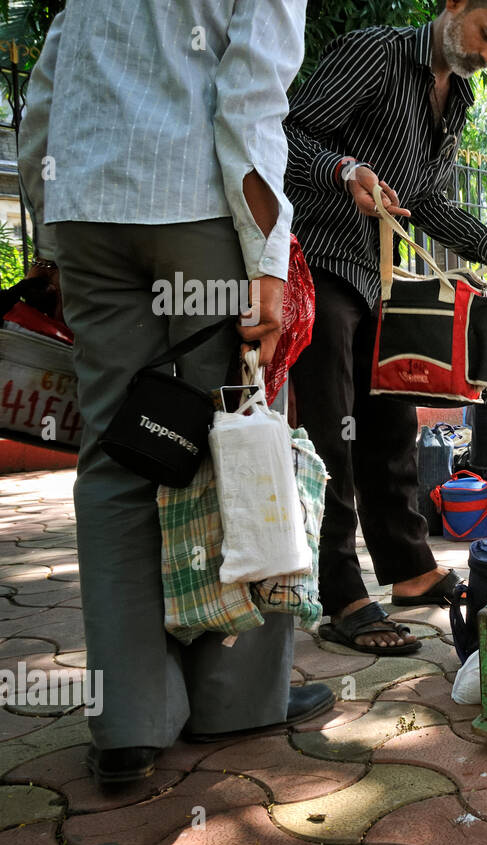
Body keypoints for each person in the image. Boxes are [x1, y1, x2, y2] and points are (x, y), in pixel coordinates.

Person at [18, 1, 330, 784]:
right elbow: (252, 96)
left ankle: (128, 721)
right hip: (193, 204)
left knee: (116, 452)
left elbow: (50, 82)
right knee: (236, 444)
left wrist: (53, 227)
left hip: (88, 207)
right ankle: (236, 698)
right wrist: (266, 256)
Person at [282, 0, 487, 655]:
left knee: (390, 421)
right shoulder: (376, 52)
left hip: (376, 275)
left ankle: (410, 568)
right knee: (333, 430)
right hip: (319, 259)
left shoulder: (456, 100)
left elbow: (426, 201)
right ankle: (339, 593)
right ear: (455, 5)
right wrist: (345, 172)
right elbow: (286, 135)